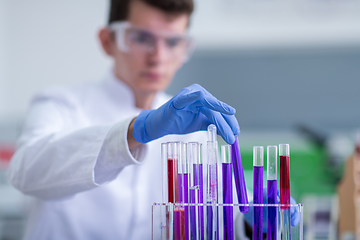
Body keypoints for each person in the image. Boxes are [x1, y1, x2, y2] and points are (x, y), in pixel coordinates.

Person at [6, 0, 298, 239]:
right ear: (108, 41)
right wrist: (136, 131)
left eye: (173, 41)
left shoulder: (194, 129)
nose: (157, 56)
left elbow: (213, 220)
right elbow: (24, 173)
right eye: (142, 38)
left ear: (185, 49)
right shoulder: (60, 105)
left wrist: (252, 222)